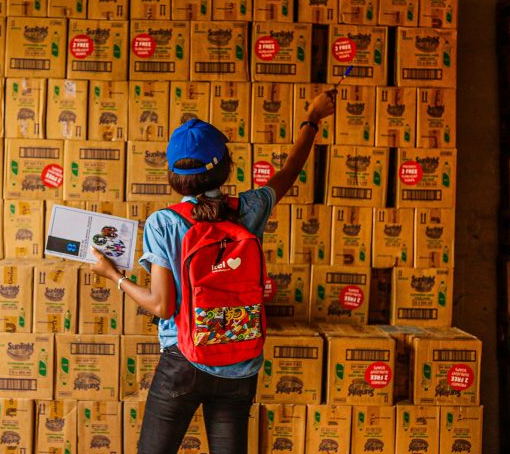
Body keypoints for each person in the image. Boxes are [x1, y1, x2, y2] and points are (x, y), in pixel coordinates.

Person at [90, 89, 336, 453]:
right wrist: (312, 119)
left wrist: (113, 275)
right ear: (224, 167)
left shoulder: (165, 222)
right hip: (241, 361)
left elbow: (160, 305)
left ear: (173, 176)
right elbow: (289, 172)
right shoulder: (249, 208)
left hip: (184, 361)